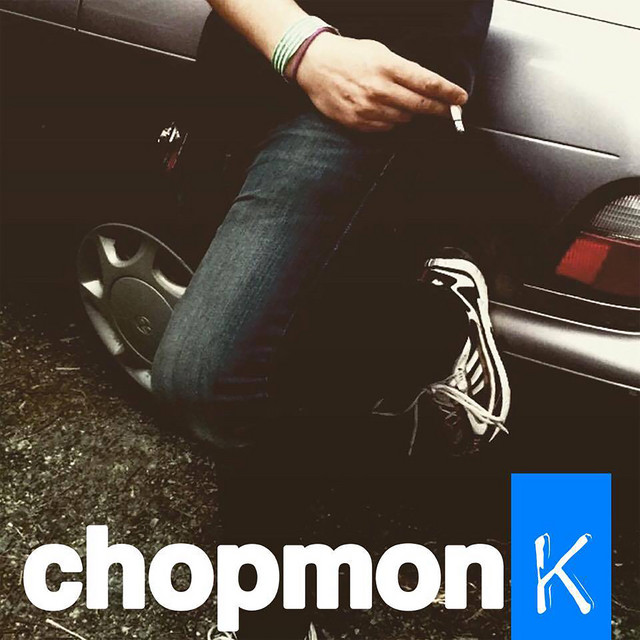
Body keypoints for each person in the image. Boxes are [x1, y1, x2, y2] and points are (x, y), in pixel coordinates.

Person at [152, 1, 509, 638]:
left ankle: (438, 326)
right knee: (279, 362)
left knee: (204, 377)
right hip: (248, 63)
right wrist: (298, 46)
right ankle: (271, 616)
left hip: (373, 80)